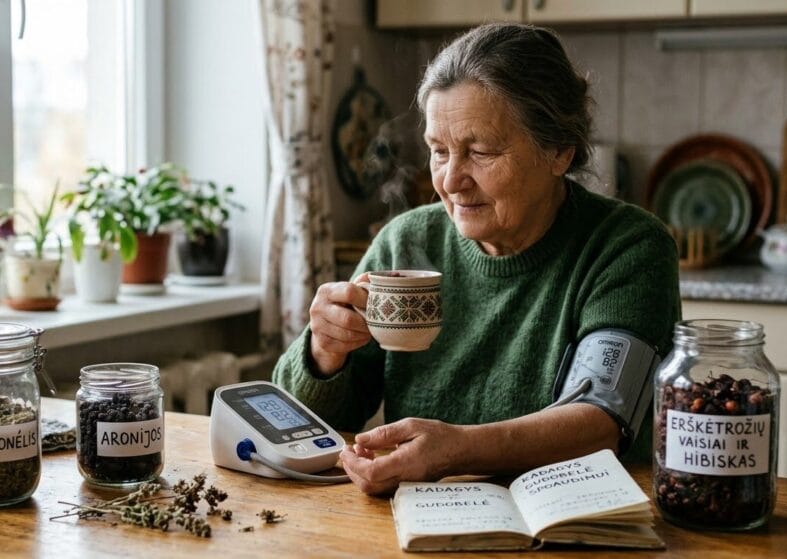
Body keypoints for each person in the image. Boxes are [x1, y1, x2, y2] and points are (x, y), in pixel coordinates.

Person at [272, 23, 680, 495]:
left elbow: (603, 417)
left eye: (480, 152)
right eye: (438, 151)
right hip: (423, 521)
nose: (449, 180)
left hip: (581, 520)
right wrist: (325, 355)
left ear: (559, 152)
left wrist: (457, 450)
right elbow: (306, 425)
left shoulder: (626, 246)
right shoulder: (406, 242)